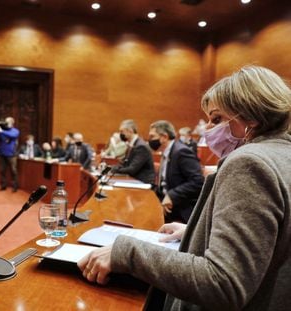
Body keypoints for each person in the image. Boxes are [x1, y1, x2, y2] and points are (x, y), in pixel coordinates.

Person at [78, 66, 291, 310]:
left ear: (251, 117)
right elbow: (272, 239)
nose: (208, 129)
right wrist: (196, 231)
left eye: (217, 119)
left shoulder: (249, 163)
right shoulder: (283, 155)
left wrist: (127, 253)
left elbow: (224, 283)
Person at [149, 120, 204, 223]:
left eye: (152, 136)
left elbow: (198, 181)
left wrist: (172, 195)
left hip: (182, 210)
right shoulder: (167, 152)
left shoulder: (181, 152)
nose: (150, 140)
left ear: (164, 137)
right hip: (166, 204)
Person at [111, 119, 155, 185]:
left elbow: (132, 169)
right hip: (133, 179)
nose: (120, 134)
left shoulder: (141, 146)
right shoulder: (132, 144)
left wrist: (115, 170)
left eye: (122, 131)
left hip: (142, 182)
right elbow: (125, 164)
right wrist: (111, 168)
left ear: (130, 131)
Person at [0, 117, 20, 192]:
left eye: (7, 122)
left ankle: (15, 187)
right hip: (2, 153)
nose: (5, 124)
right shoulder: (2, 131)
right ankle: (3, 186)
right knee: (2, 170)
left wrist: (1, 131)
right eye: (5, 122)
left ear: (12, 123)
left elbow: (13, 136)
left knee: (13, 170)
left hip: (11, 154)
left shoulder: (15, 131)